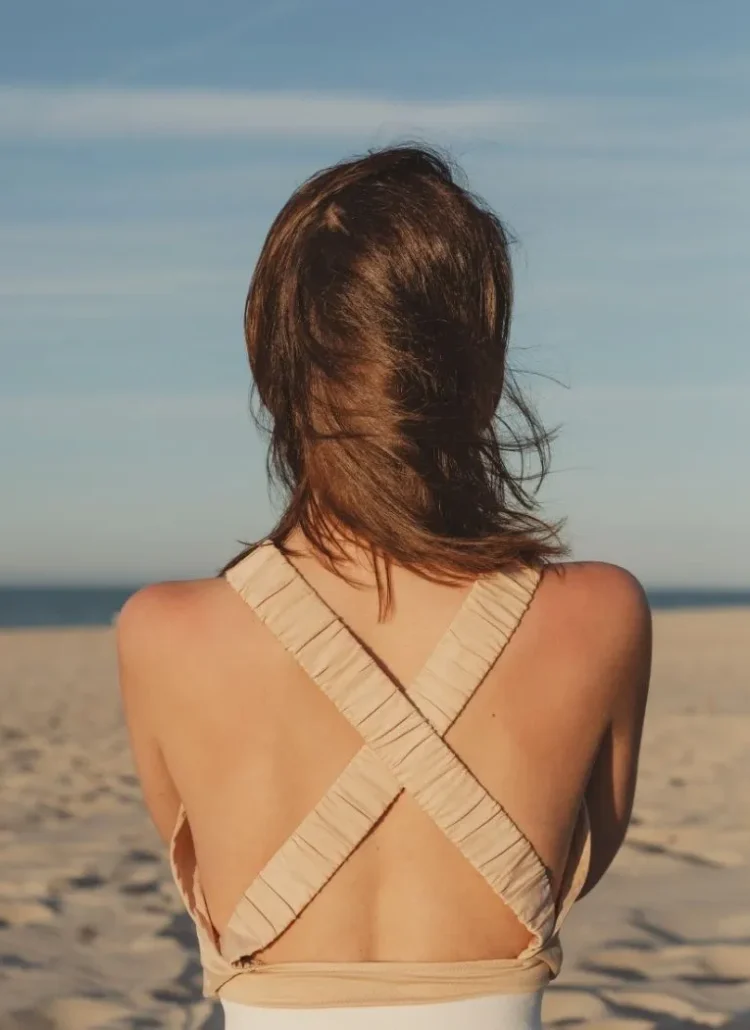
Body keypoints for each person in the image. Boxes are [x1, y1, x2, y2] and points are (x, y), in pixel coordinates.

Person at [117, 145, 652, 1030]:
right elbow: (582, 855)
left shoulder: (162, 632)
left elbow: (207, 851)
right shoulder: (601, 614)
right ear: (480, 373)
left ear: (272, 367)